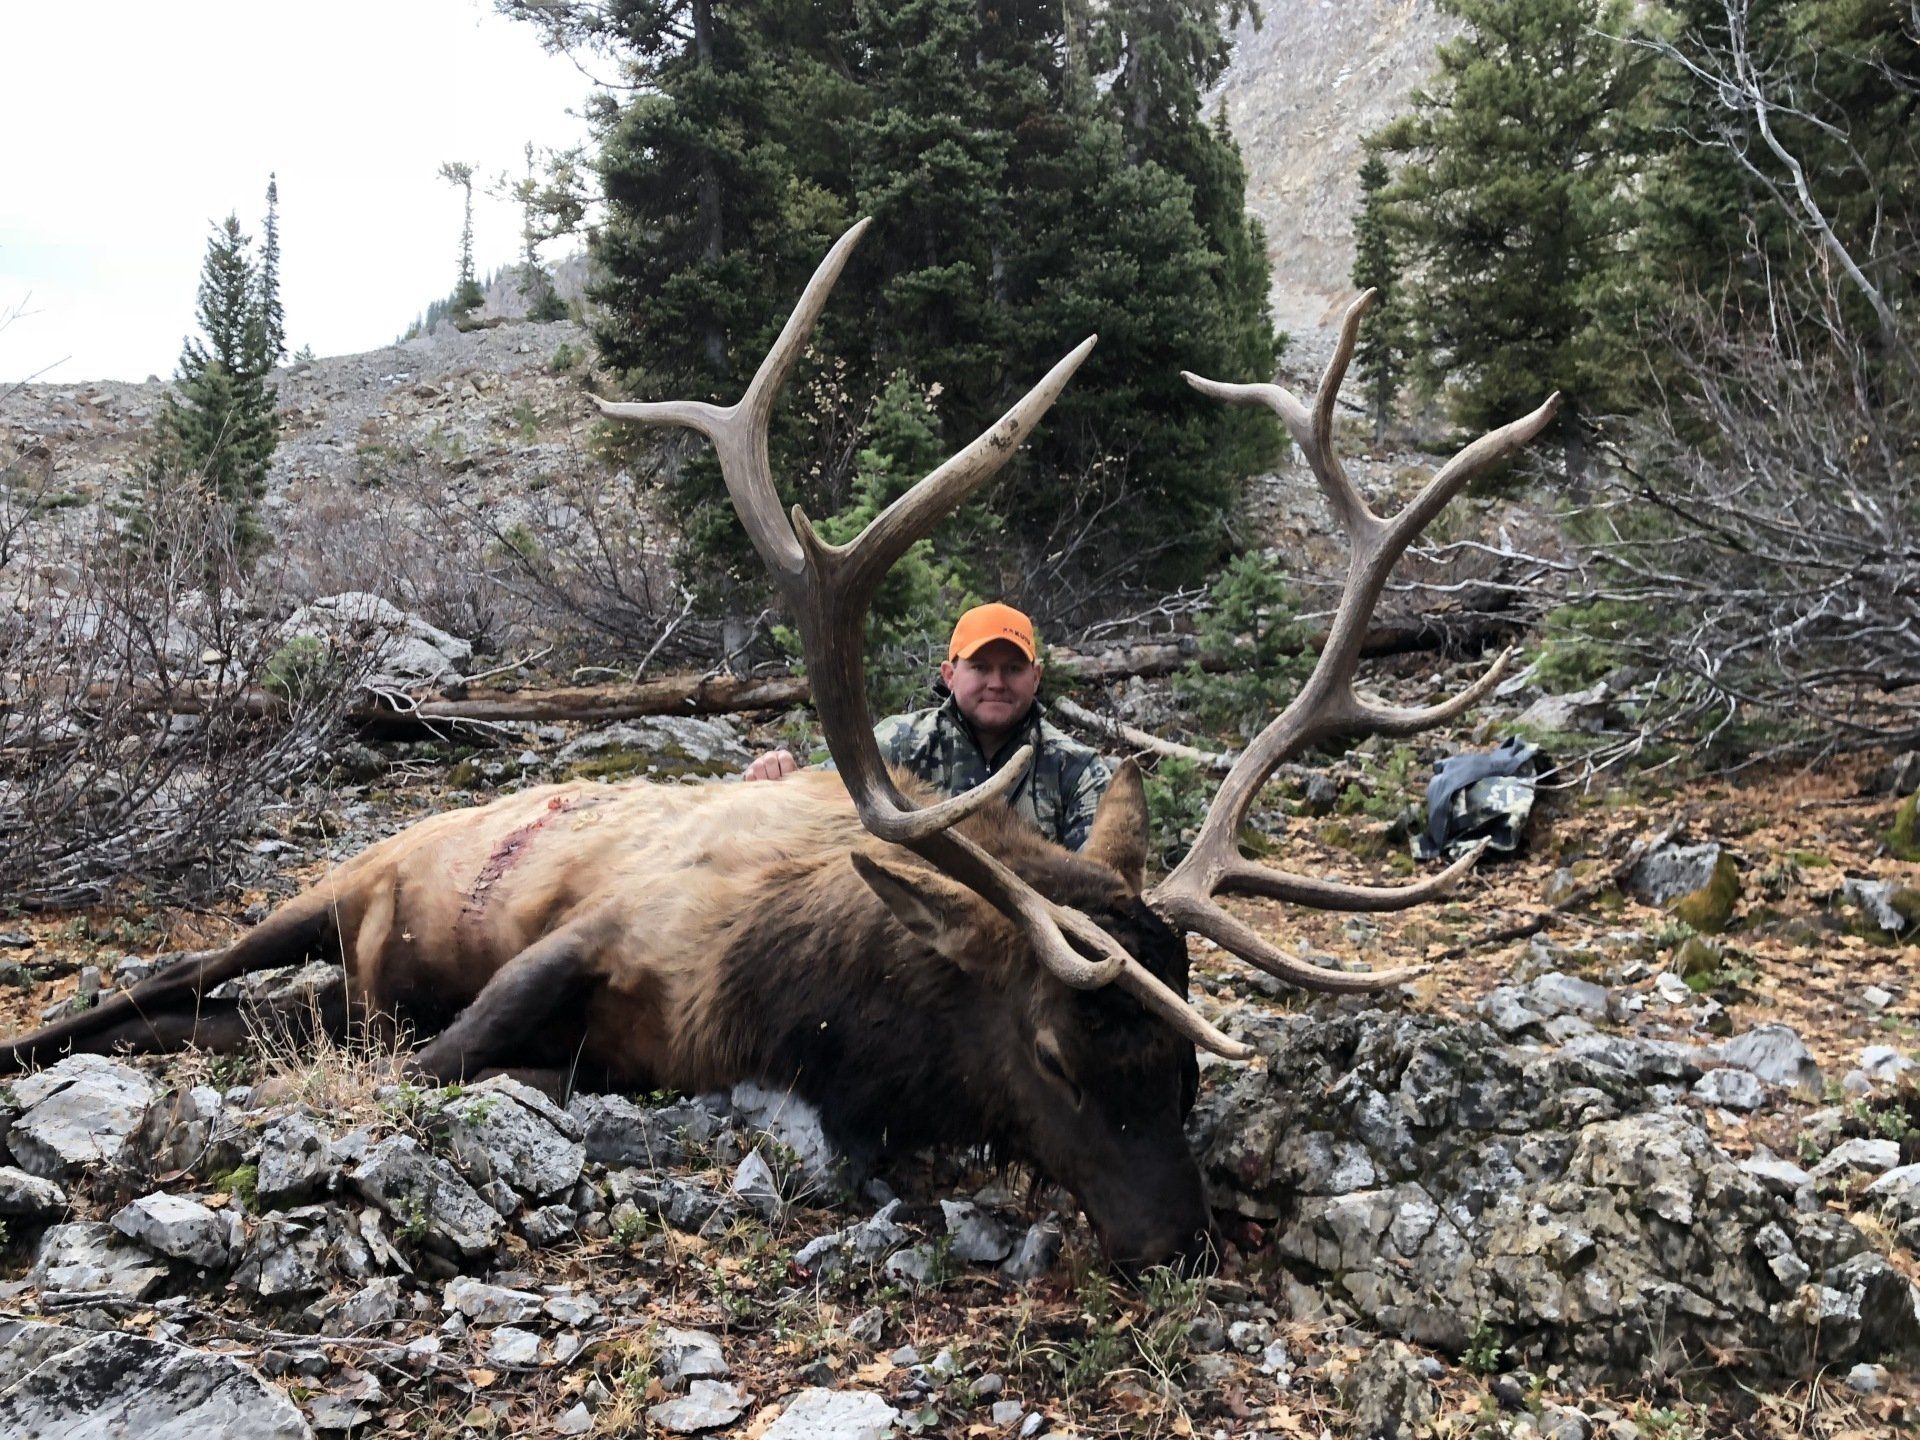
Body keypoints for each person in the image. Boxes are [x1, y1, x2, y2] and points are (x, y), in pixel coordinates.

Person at [742, 602, 1113, 850]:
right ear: (950, 675)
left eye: (1013, 669)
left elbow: (1096, 879)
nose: (997, 683)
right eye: (981, 667)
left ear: (1035, 678)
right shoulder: (899, 744)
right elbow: (817, 798)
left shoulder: (1077, 770)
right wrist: (781, 776)